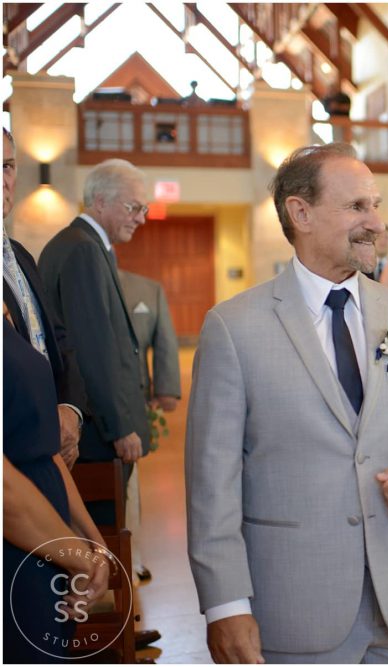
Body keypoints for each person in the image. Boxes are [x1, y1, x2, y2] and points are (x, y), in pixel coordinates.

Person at [185, 142, 388, 664]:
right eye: (356, 207)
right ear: (300, 213)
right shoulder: (235, 328)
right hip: (293, 605)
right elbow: (213, 482)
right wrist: (224, 605)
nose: (376, 223)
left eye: (376, 205)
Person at [38, 159, 151, 525]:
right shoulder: (83, 249)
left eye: (143, 208)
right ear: (99, 202)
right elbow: (93, 347)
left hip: (94, 429)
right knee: (101, 539)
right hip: (98, 437)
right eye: (133, 207)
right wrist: (119, 426)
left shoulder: (82, 245)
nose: (141, 218)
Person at [4, 318, 110, 663]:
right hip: (17, 552)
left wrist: (95, 546)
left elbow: (44, 445)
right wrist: (77, 557)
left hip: (51, 550)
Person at [3, 127, 88, 470]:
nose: (3, 179)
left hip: (49, 449)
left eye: (7, 166)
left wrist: (70, 410)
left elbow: (56, 340)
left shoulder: (21, 255)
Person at [118, 269, 181, 584]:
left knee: (131, 485)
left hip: (137, 398)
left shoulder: (147, 287)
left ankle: (133, 557)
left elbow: (165, 340)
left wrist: (166, 387)